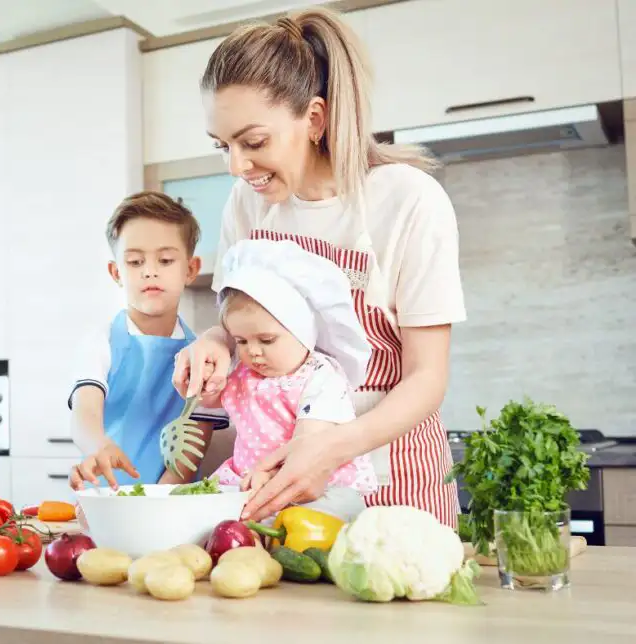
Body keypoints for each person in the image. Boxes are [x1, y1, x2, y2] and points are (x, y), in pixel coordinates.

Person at [172, 7, 466, 529]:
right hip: (276, 484)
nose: (236, 167)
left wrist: (330, 448)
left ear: (314, 118)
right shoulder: (247, 204)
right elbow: (238, 319)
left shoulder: (408, 201)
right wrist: (216, 341)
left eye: (253, 142)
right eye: (223, 146)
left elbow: (427, 377)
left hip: (390, 475)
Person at [202, 238, 377, 519]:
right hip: (250, 481)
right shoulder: (244, 373)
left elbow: (309, 438)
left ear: (303, 332)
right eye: (241, 341)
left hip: (313, 486)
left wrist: (272, 475)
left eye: (266, 340)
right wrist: (207, 382)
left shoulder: (321, 376)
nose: (253, 351)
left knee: (327, 514)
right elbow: (212, 401)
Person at [68, 191, 228, 492]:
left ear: (190, 269)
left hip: (169, 500)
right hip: (104, 499)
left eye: (165, 260)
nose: (150, 271)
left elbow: (192, 449)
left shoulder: (203, 358)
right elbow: (84, 413)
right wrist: (99, 445)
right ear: (116, 272)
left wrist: (156, 501)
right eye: (135, 261)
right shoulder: (101, 343)